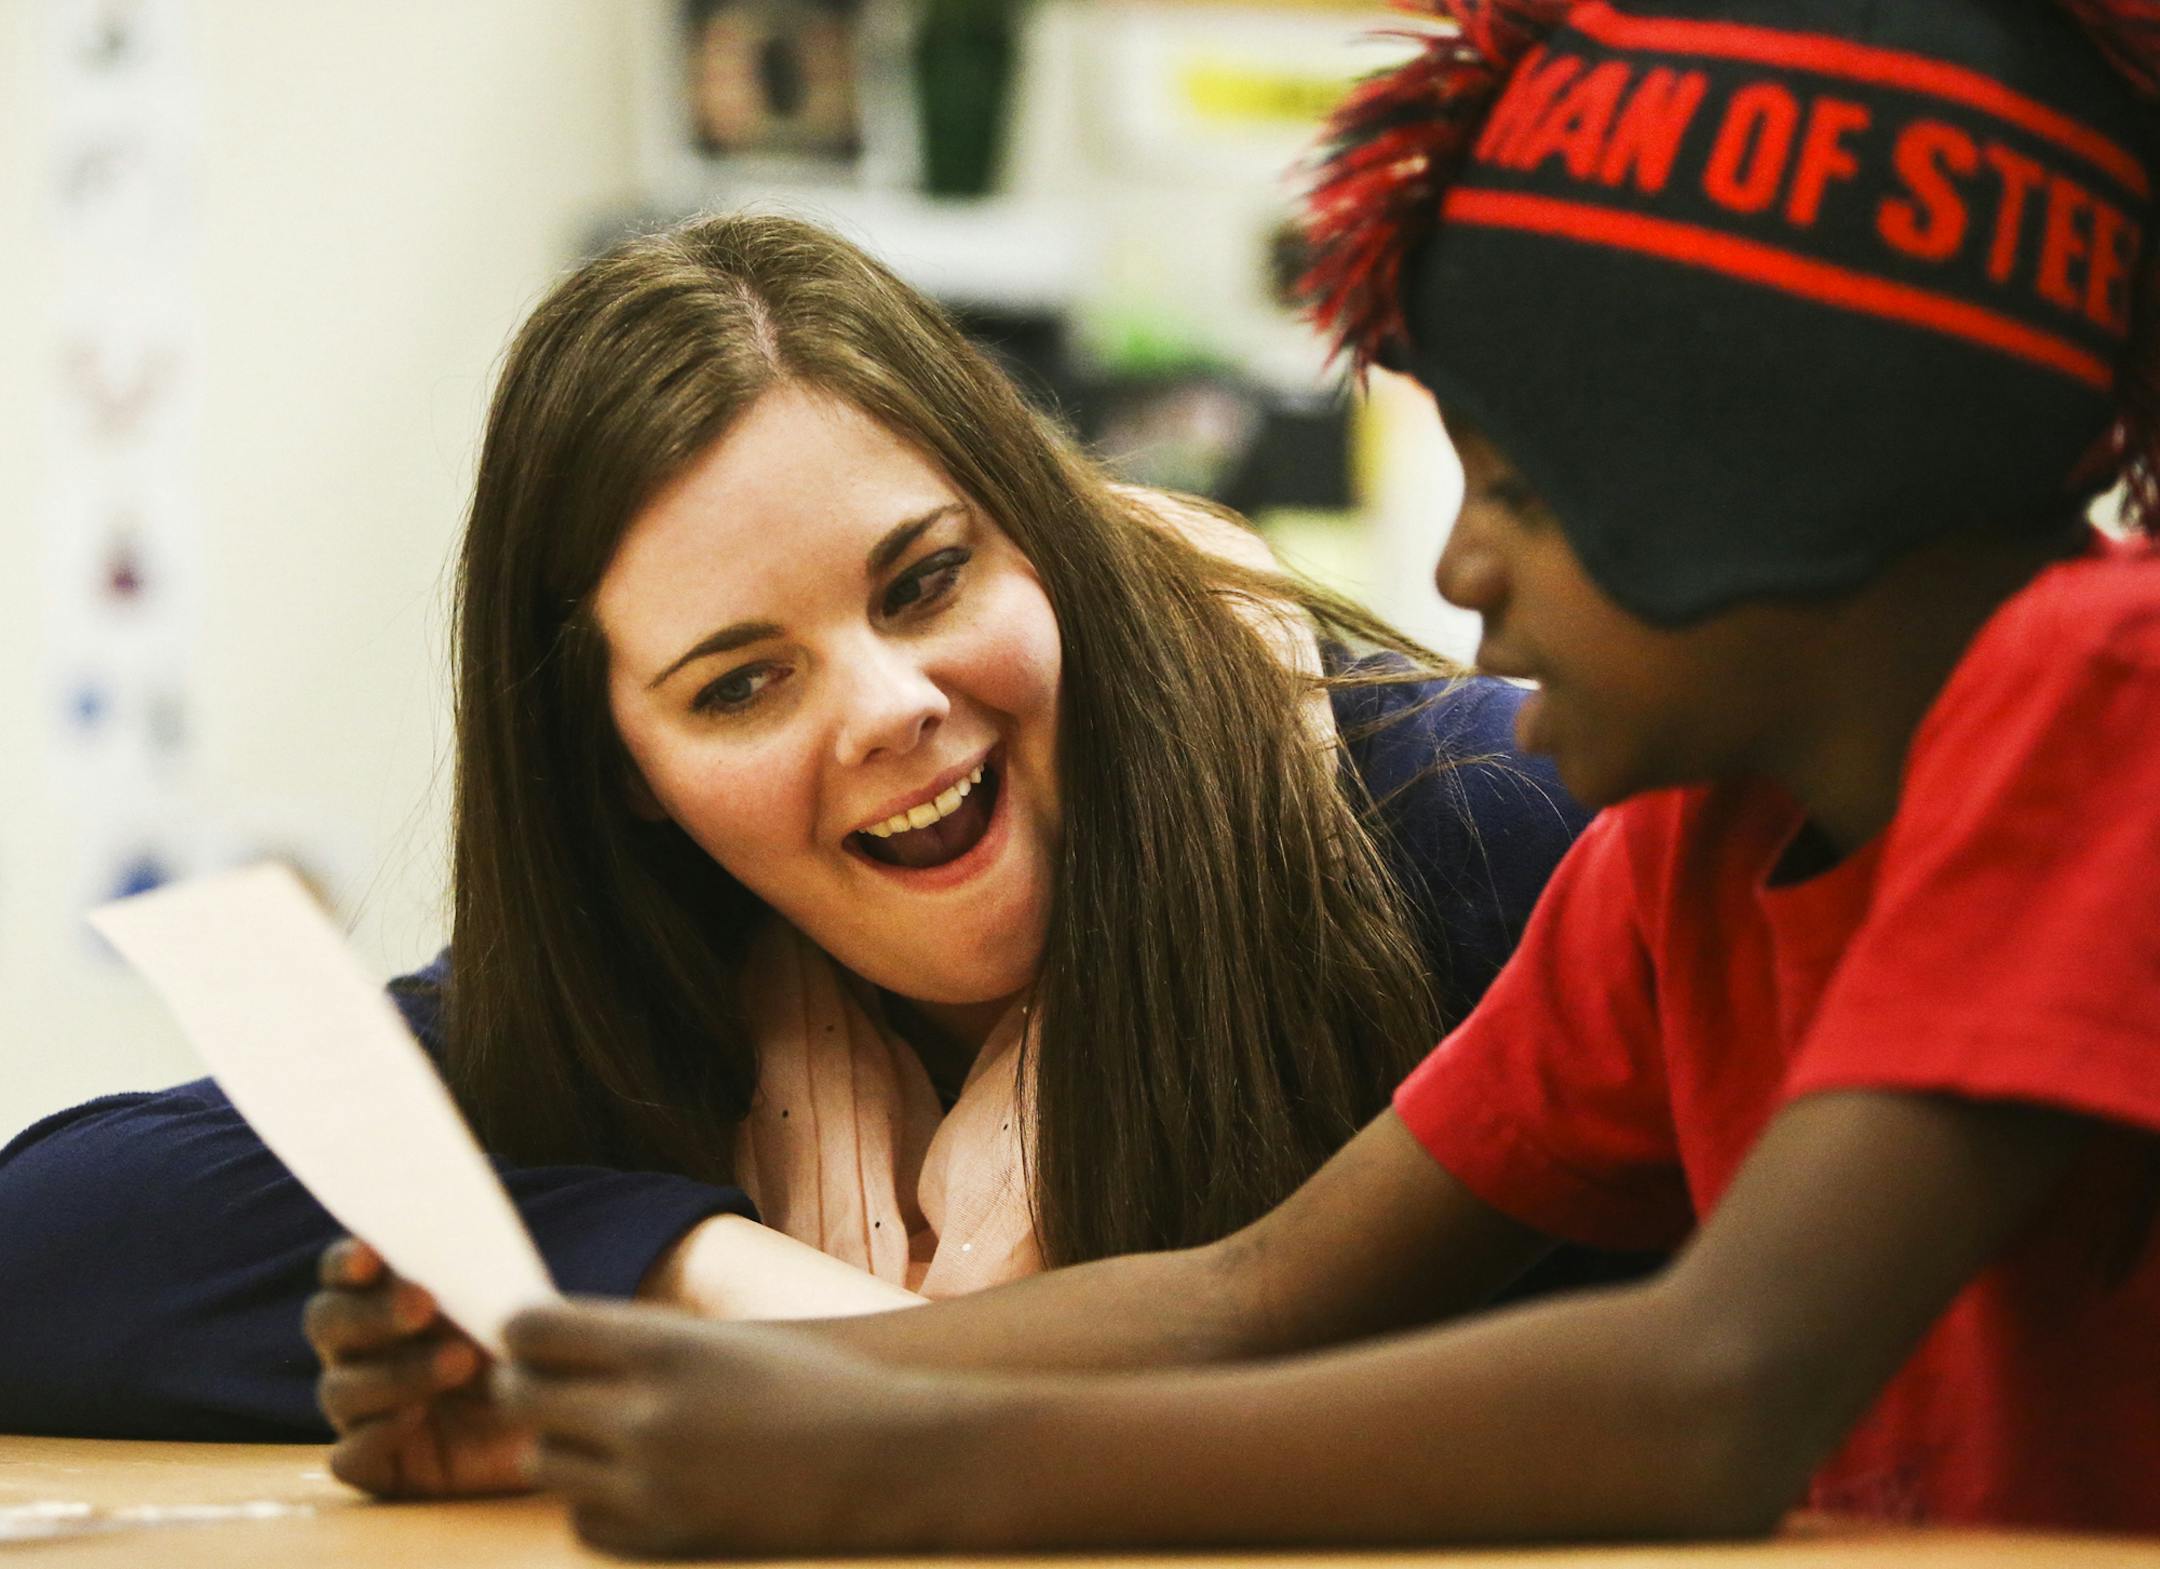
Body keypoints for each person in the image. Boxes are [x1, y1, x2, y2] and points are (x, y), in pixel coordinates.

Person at [303, 0, 2160, 1553]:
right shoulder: (1674, 865)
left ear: (1753, 483)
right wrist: (618, 1401)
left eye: (1511, 489)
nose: (1457, 578)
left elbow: (1722, 1389)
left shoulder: (2108, 703)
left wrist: (907, 1470)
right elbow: (1248, 1293)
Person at [0, 214, 1599, 1443]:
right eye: (741, 684)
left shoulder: (1480, 818)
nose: (890, 704)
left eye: (926, 581)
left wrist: (814, 1384)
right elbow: (45, 1244)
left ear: (1041, 537)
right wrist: (686, 1273)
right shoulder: (666, 972)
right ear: (624, 773)